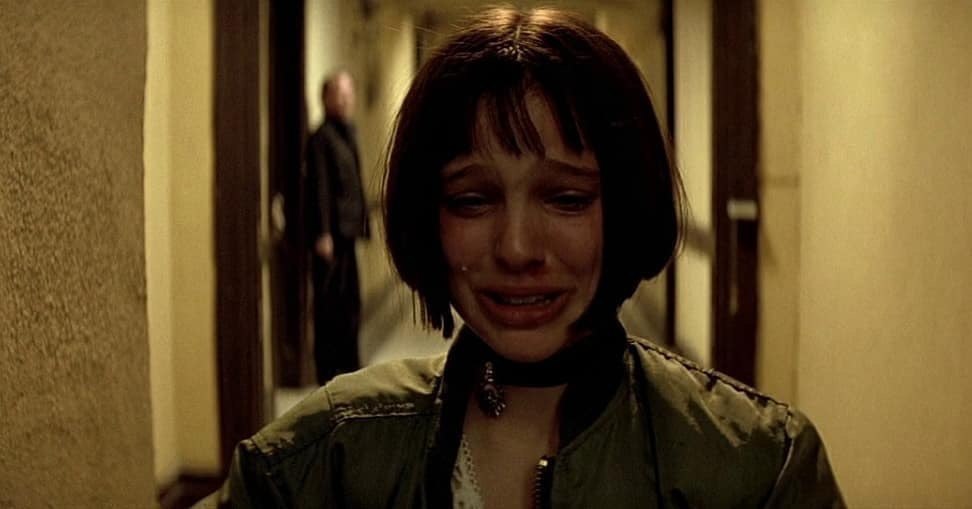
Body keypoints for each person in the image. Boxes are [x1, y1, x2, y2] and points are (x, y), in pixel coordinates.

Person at [198, 7, 843, 508]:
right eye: (472, 201)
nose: (517, 248)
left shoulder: (759, 467)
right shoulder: (322, 458)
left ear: (625, 207)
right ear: (428, 218)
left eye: (566, 199)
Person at [305, 70, 369, 385]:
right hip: (332, 238)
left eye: (348, 93)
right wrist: (323, 233)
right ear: (325, 98)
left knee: (350, 306)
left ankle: (350, 371)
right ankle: (330, 376)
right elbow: (320, 187)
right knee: (331, 310)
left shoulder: (348, 132)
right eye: (338, 94)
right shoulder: (322, 138)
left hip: (348, 233)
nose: (344, 100)